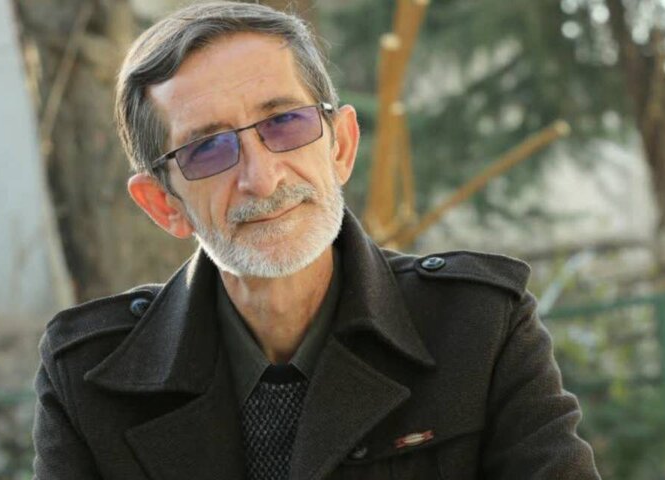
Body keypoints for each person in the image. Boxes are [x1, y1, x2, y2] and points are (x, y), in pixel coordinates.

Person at [32, 2, 600, 479]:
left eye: (284, 123)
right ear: (164, 205)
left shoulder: (479, 329)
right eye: (207, 149)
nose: (262, 179)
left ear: (342, 146)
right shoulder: (88, 382)